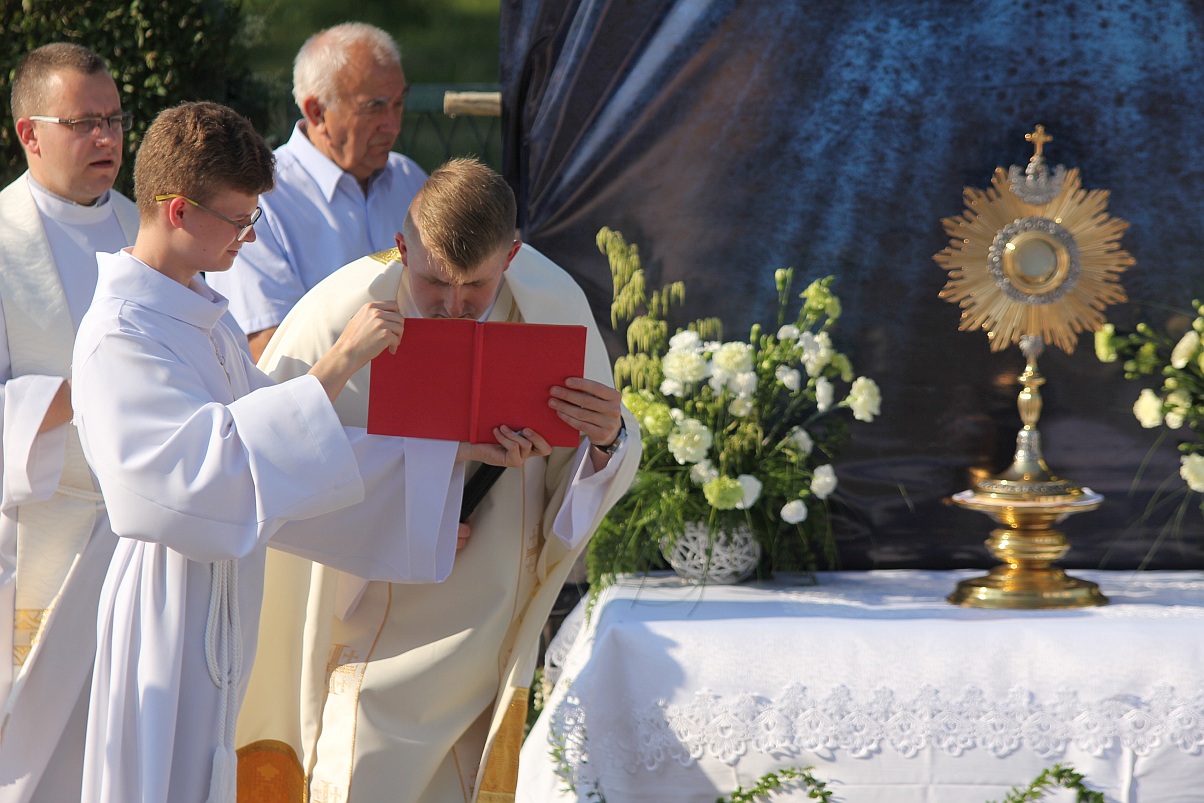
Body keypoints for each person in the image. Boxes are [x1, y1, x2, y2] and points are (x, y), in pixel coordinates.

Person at [71, 105, 539, 803]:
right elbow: (194, 480)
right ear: (177, 211)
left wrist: (443, 465)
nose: (248, 236)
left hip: (224, 594)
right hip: (165, 604)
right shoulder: (122, 331)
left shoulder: (201, 314)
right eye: (238, 220)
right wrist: (338, 363)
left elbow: (279, 460)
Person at [237, 157, 641, 803]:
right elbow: (272, 461)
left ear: (510, 257)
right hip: (362, 616)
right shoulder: (336, 314)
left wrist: (606, 439)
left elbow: (600, 453)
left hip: (482, 616)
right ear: (402, 248)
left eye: (475, 286)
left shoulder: (552, 302)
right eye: (433, 283)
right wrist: (438, 465)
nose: (453, 306)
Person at [0, 42, 138, 803]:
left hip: (140, 540)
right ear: (30, 133)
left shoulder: (147, 231)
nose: (108, 139)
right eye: (84, 123)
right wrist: (90, 390)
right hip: (40, 541)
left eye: (114, 120)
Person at [205, 21, 426, 362]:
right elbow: (269, 351)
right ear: (317, 112)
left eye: (398, 104)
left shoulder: (411, 181)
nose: (393, 124)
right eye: (375, 107)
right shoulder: (260, 198)